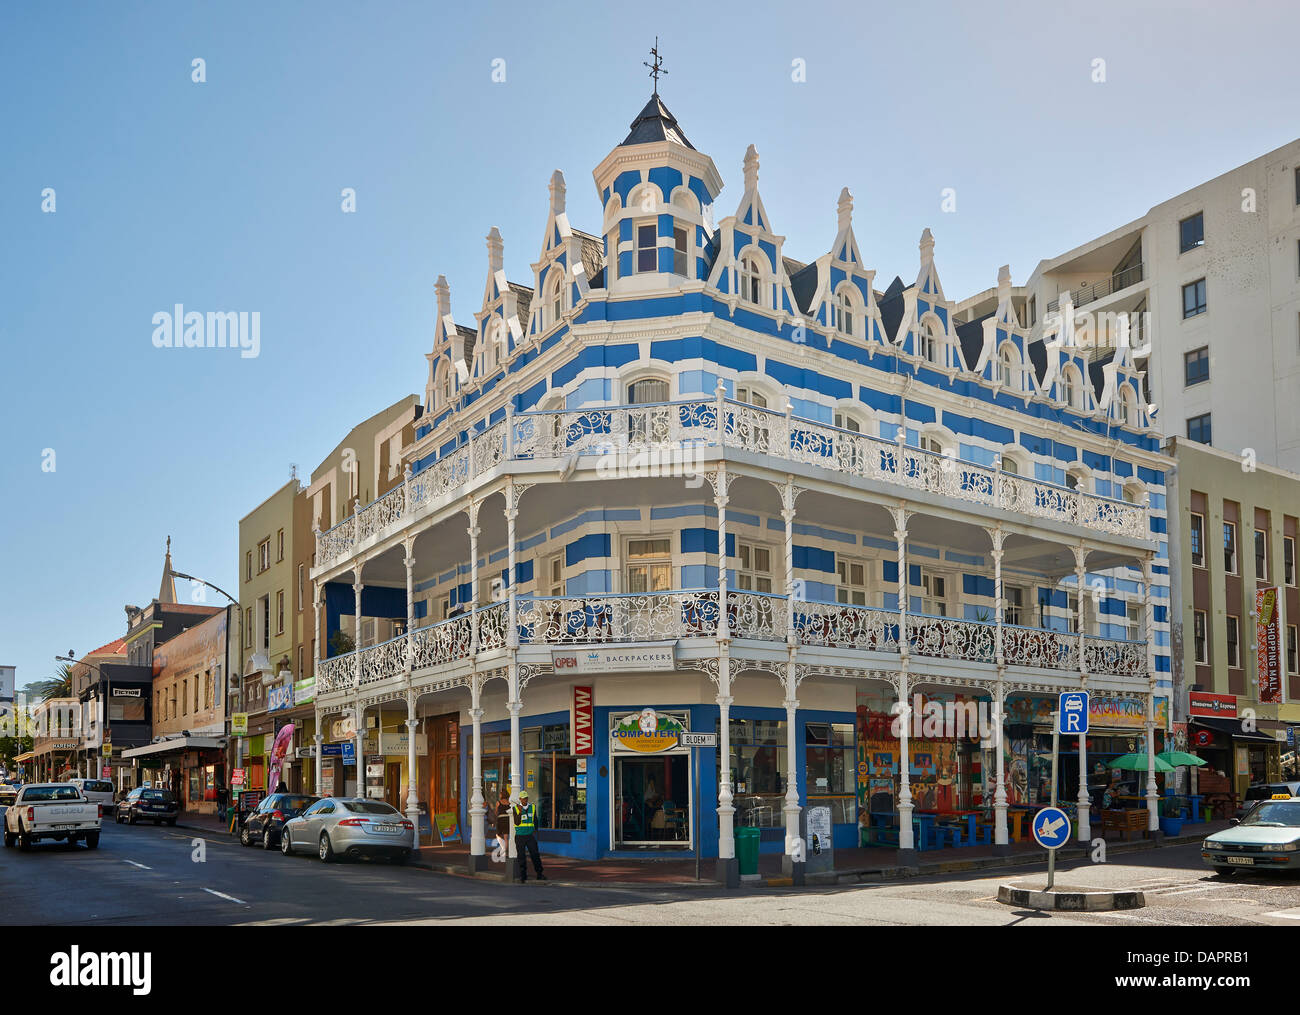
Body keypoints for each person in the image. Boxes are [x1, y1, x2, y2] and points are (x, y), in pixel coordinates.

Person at [511, 790, 546, 882]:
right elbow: (517, 822)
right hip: (520, 836)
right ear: (520, 799)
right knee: (521, 856)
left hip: (530, 836)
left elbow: (535, 820)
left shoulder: (532, 807)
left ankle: (539, 874)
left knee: (535, 855)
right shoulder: (515, 808)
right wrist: (519, 811)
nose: (525, 800)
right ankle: (523, 875)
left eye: (526, 798)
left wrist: (536, 832)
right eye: (523, 799)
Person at [493, 788, 511, 863]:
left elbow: (496, 812)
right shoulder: (509, 803)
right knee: (506, 837)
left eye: (500, 794)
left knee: (498, 835)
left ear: (501, 795)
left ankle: (503, 850)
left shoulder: (498, 802)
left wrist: (494, 821)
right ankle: (505, 851)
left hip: (500, 820)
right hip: (507, 820)